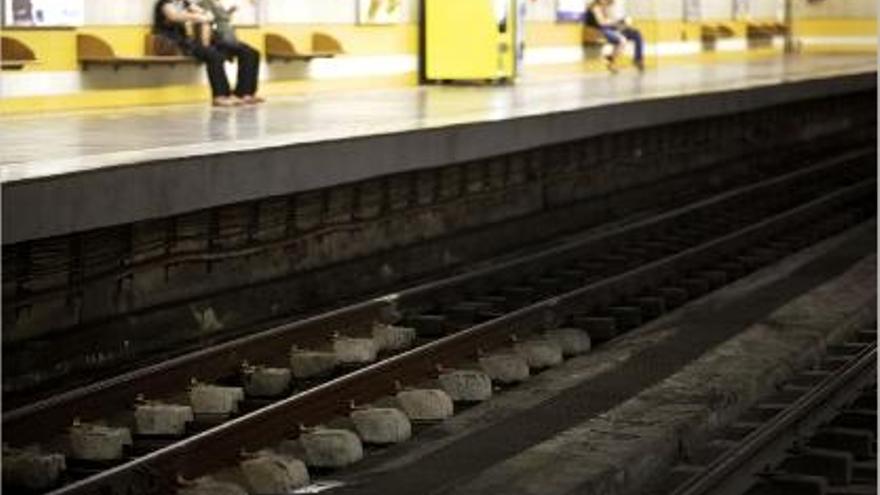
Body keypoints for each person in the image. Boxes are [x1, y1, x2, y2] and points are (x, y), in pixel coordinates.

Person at [152, 0, 261, 107]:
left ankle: (237, 94)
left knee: (246, 53)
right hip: (171, 42)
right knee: (215, 56)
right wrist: (197, 17)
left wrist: (204, 15)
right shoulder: (164, 4)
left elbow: (204, 14)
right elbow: (174, 16)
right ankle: (220, 96)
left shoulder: (185, 4)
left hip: (187, 41)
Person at [196, 0, 263, 104]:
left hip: (229, 40)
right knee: (243, 53)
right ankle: (224, 94)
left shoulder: (218, 4)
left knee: (252, 53)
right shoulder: (205, 3)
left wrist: (229, 13)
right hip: (218, 40)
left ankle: (245, 92)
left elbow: (222, 20)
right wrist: (206, 45)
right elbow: (206, 23)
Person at [585, 0, 644, 73]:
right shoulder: (595, 8)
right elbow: (602, 23)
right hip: (601, 31)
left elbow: (609, 22)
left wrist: (621, 24)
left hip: (611, 29)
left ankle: (637, 59)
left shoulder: (605, 7)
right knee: (622, 40)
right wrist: (616, 22)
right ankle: (611, 60)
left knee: (636, 33)